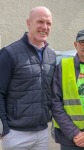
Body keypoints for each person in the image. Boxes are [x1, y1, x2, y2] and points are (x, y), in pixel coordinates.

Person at [0, 6, 56, 150]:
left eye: (48, 23)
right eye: (40, 22)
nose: (45, 27)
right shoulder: (9, 53)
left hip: (42, 133)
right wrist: (4, 129)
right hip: (15, 134)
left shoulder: (51, 55)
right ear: (28, 23)